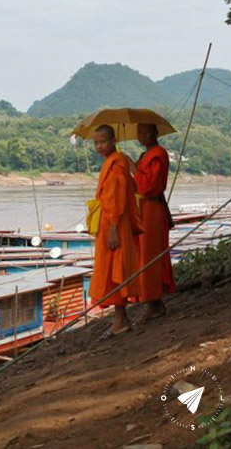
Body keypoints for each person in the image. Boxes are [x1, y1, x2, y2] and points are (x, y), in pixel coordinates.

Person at [89, 124, 143, 339]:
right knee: (111, 269)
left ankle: (120, 321)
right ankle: (121, 319)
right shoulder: (113, 163)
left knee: (116, 269)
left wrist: (113, 228)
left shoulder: (117, 163)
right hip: (109, 221)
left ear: (113, 141)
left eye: (103, 141)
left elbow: (117, 197)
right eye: (96, 143)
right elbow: (132, 187)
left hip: (115, 223)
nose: (99, 146)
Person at [131, 123, 176, 320]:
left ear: (156, 133)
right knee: (143, 256)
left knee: (151, 256)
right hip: (143, 209)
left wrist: (133, 168)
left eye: (146, 132)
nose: (142, 135)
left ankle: (154, 302)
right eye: (139, 132)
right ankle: (151, 301)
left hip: (152, 210)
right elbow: (138, 184)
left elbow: (149, 186)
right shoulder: (145, 156)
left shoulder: (159, 154)